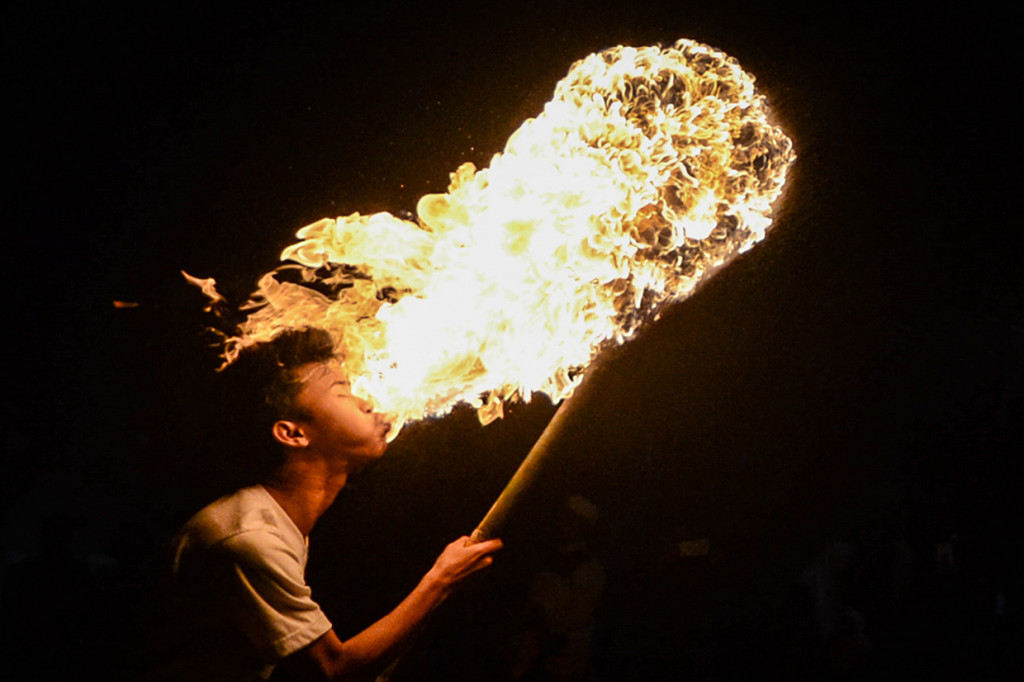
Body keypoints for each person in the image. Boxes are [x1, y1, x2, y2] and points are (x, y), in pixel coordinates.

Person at [141, 327, 502, 681]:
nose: (368, 402)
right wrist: (441, 581)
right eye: (342, 393)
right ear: (293, 433)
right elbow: (333, 670)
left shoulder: (277, 523)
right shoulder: (248, 540)